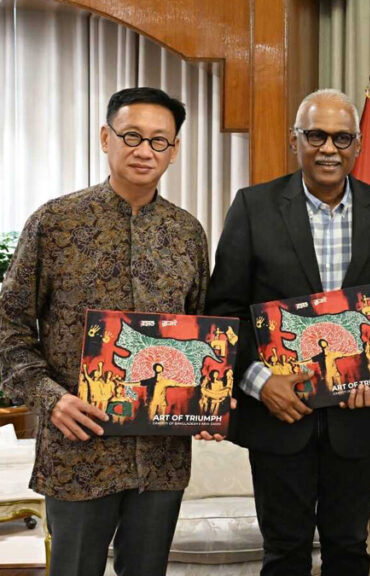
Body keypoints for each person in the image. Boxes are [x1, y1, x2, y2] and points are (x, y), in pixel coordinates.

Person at [205, 88, 370, 576]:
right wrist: (261, 381)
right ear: (295, 140)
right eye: (316, 135)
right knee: (284, 552)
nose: (329, 148)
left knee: (349, 549)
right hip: (277, 418)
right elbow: (224, 312)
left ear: (358, 145)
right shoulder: (253, 207)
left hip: (358, 419)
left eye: (342, 138)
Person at [0, 87, 213, 576]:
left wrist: (204, 400)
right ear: (105, 138)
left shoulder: (187, 234)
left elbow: (198, 332)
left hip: (160, 456)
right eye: (132, 136)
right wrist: (50, 398)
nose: (144, 150)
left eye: (159, 141)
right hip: (77, 447)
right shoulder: (55, 222)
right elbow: (8, 325)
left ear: (174, 150)